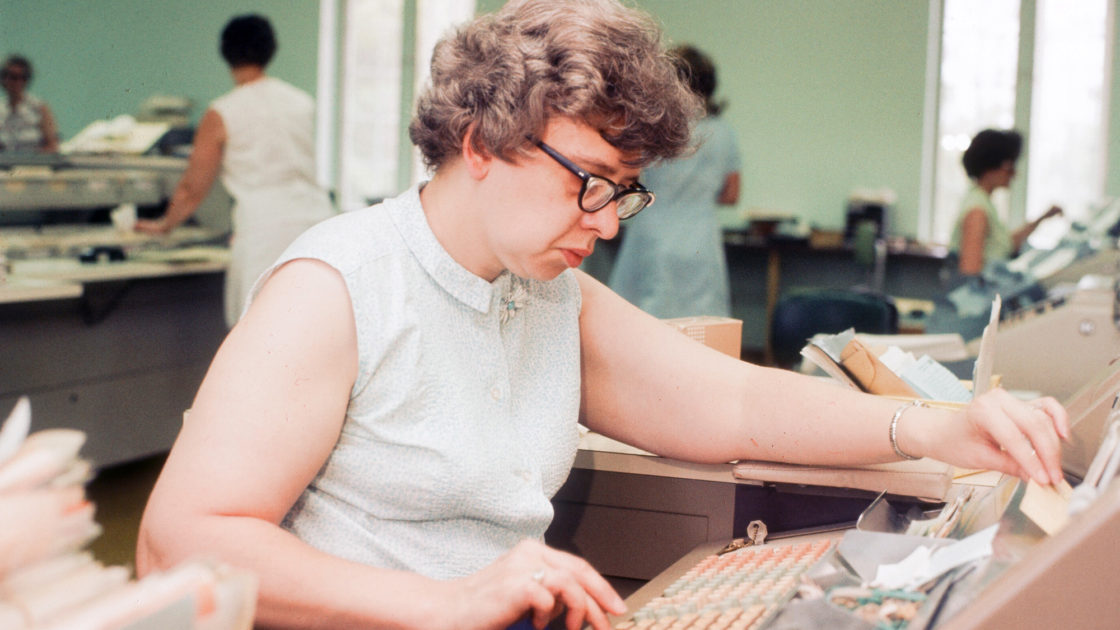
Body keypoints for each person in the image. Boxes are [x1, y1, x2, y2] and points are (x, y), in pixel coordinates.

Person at [136, 2, 1069, 629]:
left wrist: (938, 427)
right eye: (589, 184)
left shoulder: (544, 289)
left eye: (623, 194)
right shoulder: (338, 285)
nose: (604, 220)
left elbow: (730, 405)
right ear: (482, 143)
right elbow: (183, 536)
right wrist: (449, 600)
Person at [134, 14, 336, 327]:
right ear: (272, 49)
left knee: (258, 333)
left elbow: (192, 188)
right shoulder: (301, 102)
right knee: (316, 329)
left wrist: (164, 225)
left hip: (264, 230)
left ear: (225, 53)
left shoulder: (223, 111)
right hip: (318, 223)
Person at [608, 45, 740, 319]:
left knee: (644, 320)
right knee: (702, 325)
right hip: (700, 239)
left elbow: (626, 178)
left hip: (654, 233)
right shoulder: (724, 133)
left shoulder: (654, 129)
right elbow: (731, 194)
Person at [950, 128, 1063, 276]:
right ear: (991, 166)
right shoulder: (977, 210)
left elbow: (1007, 245)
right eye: (1009, 167)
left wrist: (1043, 218)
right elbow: (970, 273)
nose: (1014, 174)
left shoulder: (983, 201)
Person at [0, 55, 60, 153]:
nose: (17, 82)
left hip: (34, 164)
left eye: (23, 77)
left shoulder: (39, 108)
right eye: (13, 77)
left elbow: (53, 145)